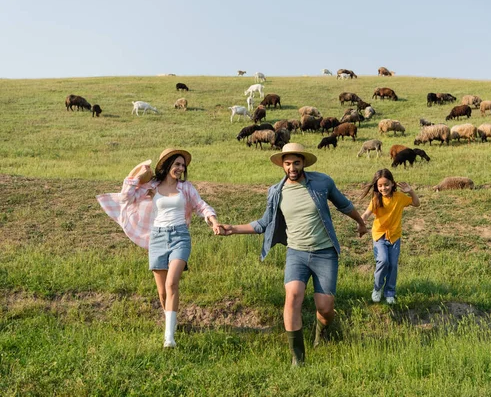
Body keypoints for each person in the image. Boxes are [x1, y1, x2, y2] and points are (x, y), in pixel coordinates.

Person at [219, 143, 367, 366]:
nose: (292, 168)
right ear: (282, 165)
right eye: (287, 164)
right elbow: (263, 223)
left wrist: (360, 222)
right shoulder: (276, 191)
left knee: (325, 308)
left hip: (325, 252)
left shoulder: (322, 182)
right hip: (296, 253)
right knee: (292, 297)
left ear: (303, 163)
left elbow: (343, 204)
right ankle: (298, 358)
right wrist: (233, 229)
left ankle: (322, 333)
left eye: (296, 163)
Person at [97, 148, 221, 348]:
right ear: (167, 165)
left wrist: (213, 221)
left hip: (180, 236)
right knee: (162, 292)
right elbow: (126, 197)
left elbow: (201, 205)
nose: (180, 168)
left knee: (172, 284)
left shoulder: (186, 188)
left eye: (183, 165)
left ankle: (169, 339)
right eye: (177, 164)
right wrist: (137, 177)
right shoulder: (152, 186)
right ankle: (171, 324)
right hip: (157, 238)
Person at [360, 168, 420, 305]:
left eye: (386, 184)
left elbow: (416, 203)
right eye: (380, 186)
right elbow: (366, 213)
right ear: (376, 186)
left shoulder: (399, 198)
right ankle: (377, 288)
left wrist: (410, 191)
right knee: (383, 261)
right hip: (379, 236)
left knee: (392, 265)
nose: (383, 188)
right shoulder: (376, 199)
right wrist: (362, 220)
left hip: (394, 236)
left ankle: (390, 293)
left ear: (392, 183)